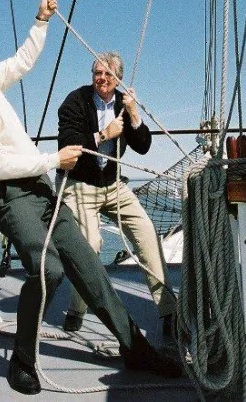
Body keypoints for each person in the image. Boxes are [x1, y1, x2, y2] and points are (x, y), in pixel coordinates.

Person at [0, 0, 181, 396]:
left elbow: (22, 61)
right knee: (47, 269)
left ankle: (135, 348)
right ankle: (23, 359)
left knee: (88, 264)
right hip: (8, 195)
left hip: (38, 188)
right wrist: (52, 160)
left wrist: (41, 21)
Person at [57, 52, 177, 336]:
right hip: (80, 185)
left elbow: (143, 146)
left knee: (147, 234)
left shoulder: (123, 104)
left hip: (113, 185)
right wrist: (103, 135)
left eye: (108, 74)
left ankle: (170, 312)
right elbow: (68, 143)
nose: (102, 78)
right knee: (89, 246)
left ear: (118, 78)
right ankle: (78, 308)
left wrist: (134, 113)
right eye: (98, 73)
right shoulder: (75, 101)